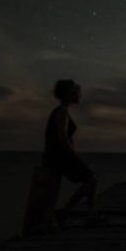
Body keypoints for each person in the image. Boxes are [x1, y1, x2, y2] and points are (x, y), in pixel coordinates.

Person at [43, 80, 106, 228]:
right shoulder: (62, 112)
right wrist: (73, 153)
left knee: (91, 178)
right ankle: (66, 211)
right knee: (91, 179)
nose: (80, 94)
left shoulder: (60, 111)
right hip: (60, 156)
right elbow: (62, 137)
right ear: (70, 94)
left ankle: (91, 214)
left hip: (57, 155)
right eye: (78, 91)